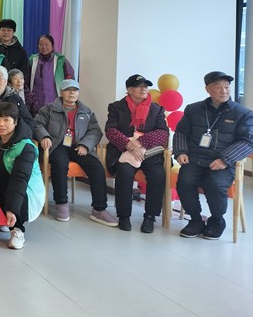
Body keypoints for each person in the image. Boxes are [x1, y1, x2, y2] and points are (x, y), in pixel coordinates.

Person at [174, 71, 253, 240]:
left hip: (223, 162)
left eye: (227, 87)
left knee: (215, 184)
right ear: (208, 89)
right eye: (218, 87)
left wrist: (225, 159)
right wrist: (181, 151)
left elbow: (247, 141)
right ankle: (195, 220)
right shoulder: (193, 109)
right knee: (185, 181)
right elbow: (181, 132)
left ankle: (217, 221)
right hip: (195, 159)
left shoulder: (243, 113)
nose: (224, 91)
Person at [33, 79, 117, 226]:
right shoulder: (49, 109)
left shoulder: (86, 111)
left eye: (75, 90)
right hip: (57, 145)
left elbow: (95, 131)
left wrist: (85, 144)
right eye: (68, 90)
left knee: (97, 167)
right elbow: (37, 124)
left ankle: (99, 209)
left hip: (79, 146)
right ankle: (61, 203)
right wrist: (45, 136)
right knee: (60, 164)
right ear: (61, 92)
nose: (72, 93)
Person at [105, 74, 168, 232]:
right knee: (124, 173)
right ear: (129, 89)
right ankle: (124, 216)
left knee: (158, 175)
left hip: (149, 152)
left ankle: (150, 217)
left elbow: (163, 133)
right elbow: (110, 130)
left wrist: (141, 142)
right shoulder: (116, 107)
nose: (144, 89)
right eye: (139, 86)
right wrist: (128, 144)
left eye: (145, 86)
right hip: (124, 150)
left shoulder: (156, 109)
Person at [0, 102, 44, 250]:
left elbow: (19, 180)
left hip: (25, 192)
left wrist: (12, 209)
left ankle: (17, 230)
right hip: (0, 186)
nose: (1, 124)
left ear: (15, 122)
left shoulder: (26, 147)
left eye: (6, 120)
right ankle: (1, 218)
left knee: (14, 193)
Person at [26, 34, 75, 112]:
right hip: (36, 103)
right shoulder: (32, 60)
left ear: (52, 46)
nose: (44, 47)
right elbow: (26, 81)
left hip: (56, 101)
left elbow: (70, 78)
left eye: (47, 45)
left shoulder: (60, 60)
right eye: (41, 45)